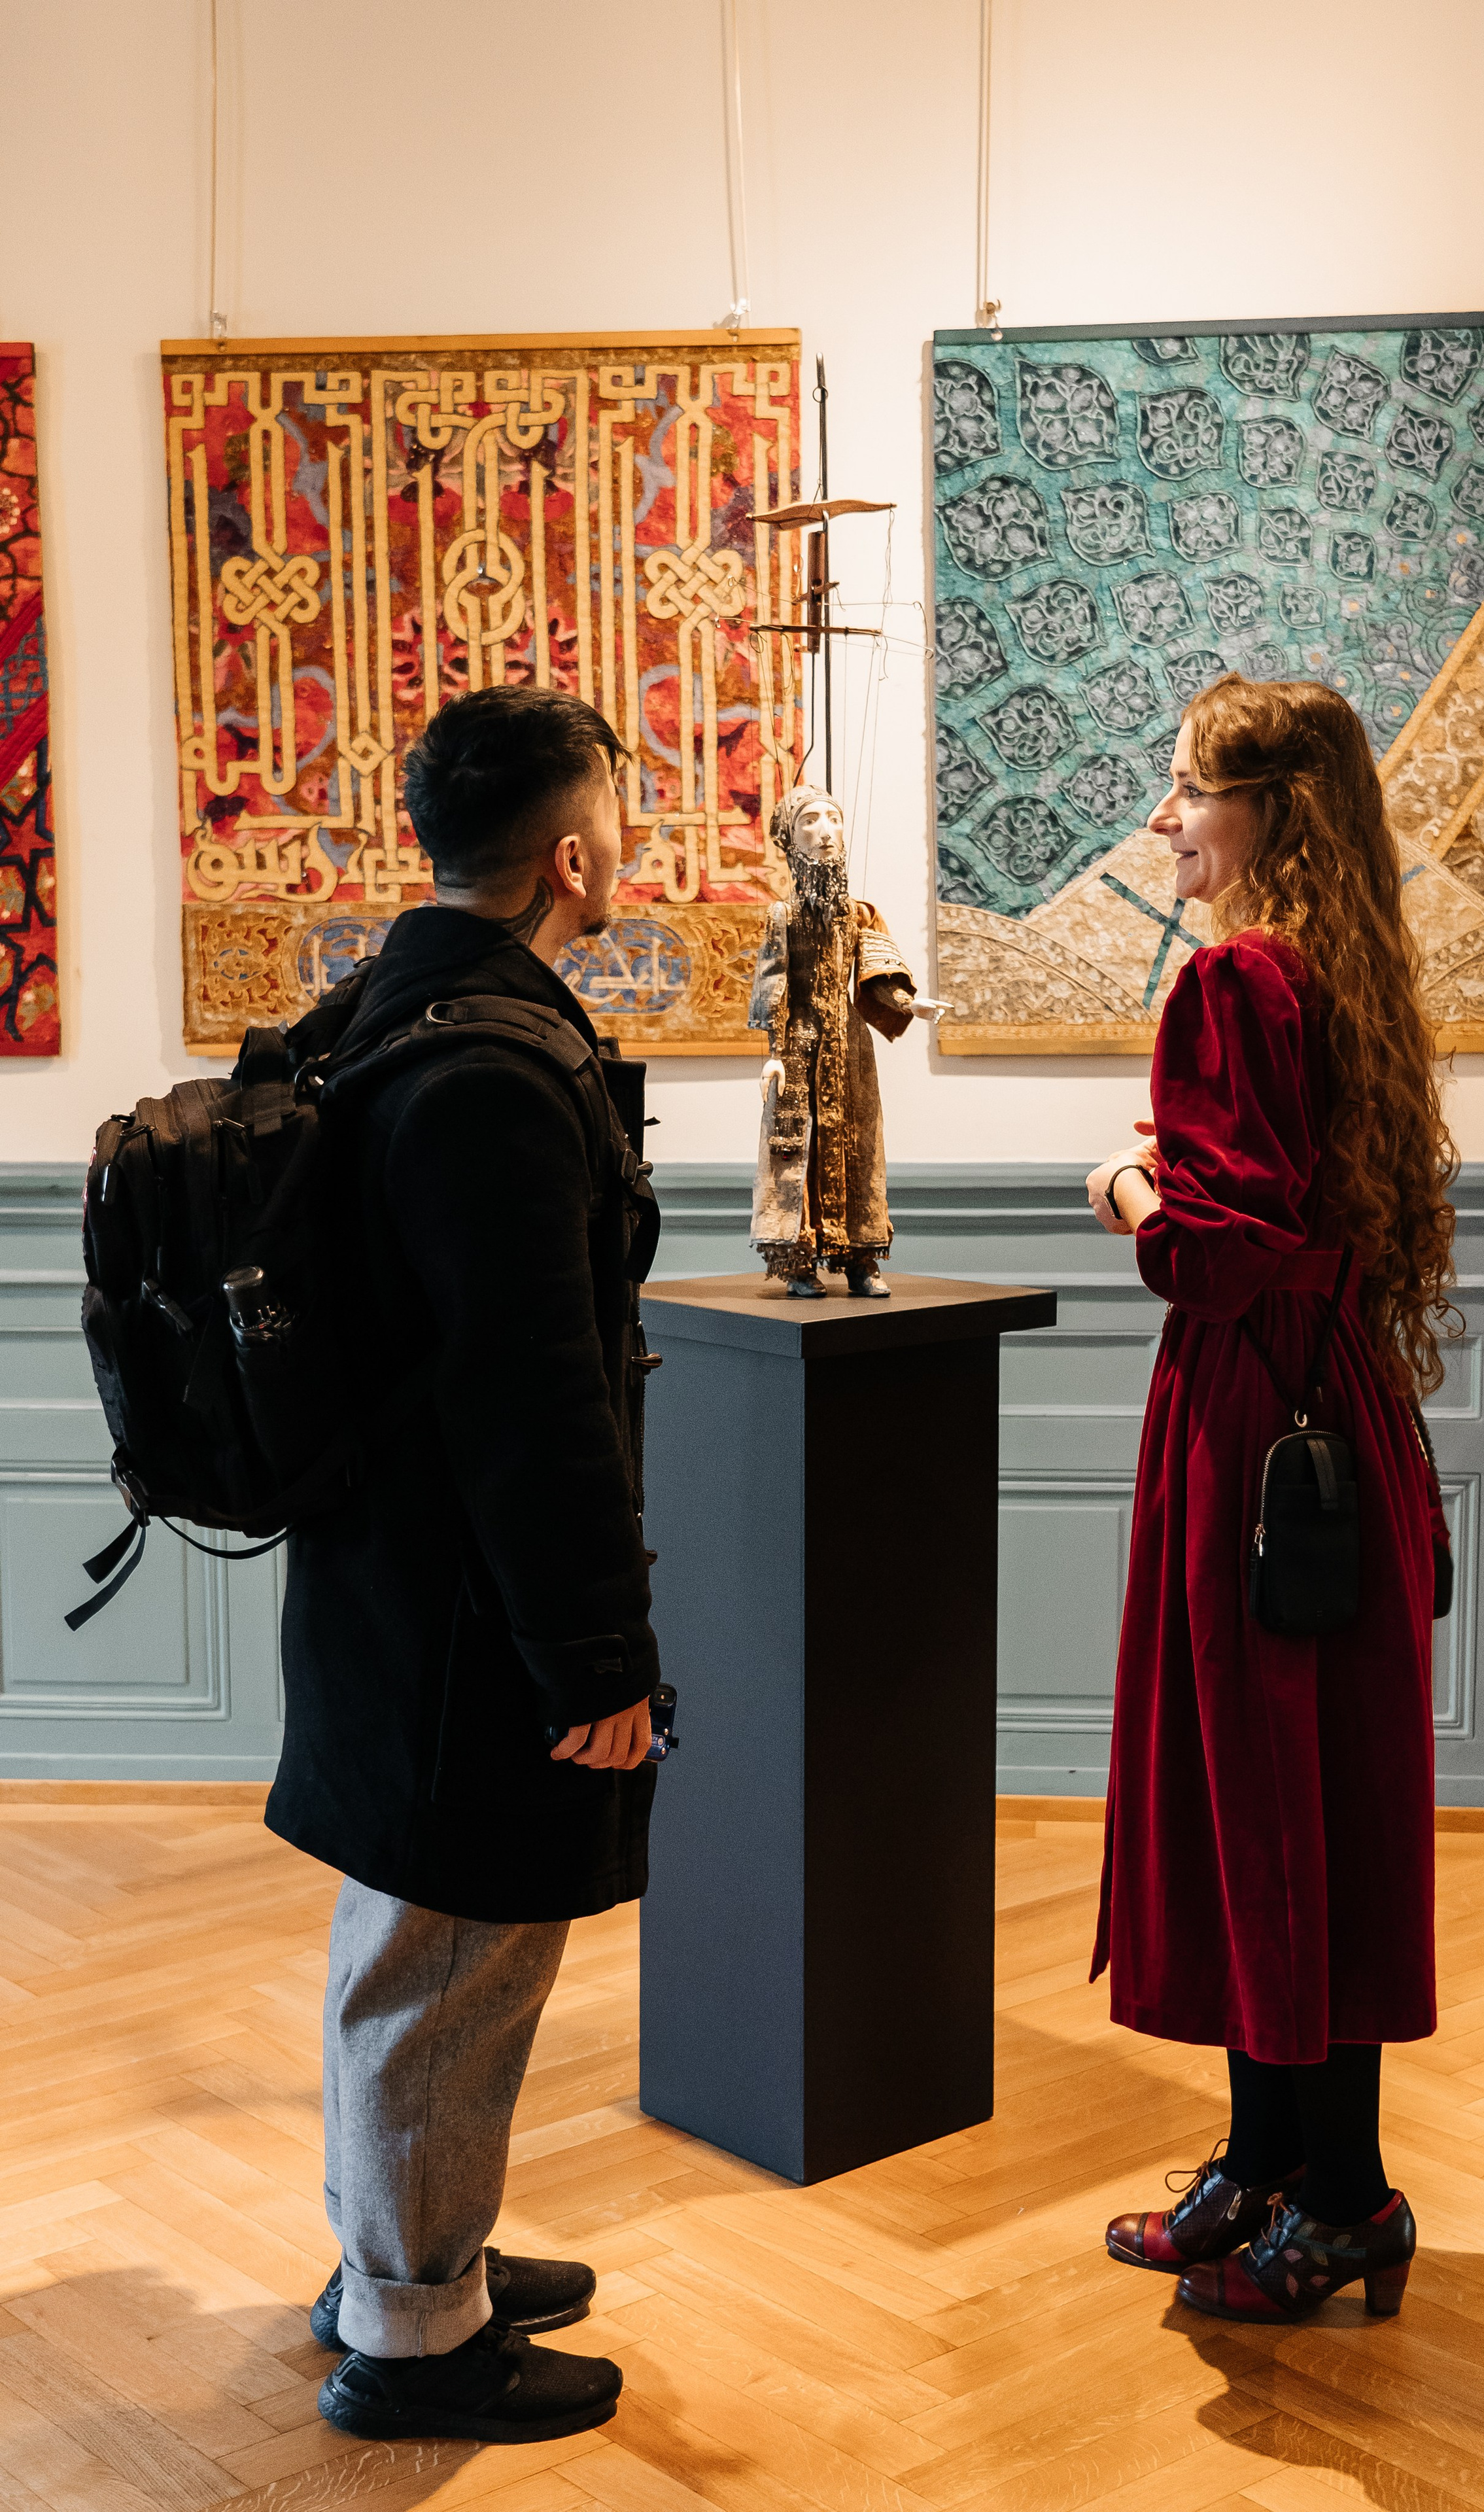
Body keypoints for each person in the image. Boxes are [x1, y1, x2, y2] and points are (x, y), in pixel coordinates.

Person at [264, 687, 659, 2445]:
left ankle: (403, 2261)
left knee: (412, 1941)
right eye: (622, 826)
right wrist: (596, 1663)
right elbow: (529, 1399)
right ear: (573, 856)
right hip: (465, 1620)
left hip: (397, 1592)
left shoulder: (390, 1007)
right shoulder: (490, 1066)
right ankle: (416, 2335)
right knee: (449, 1960)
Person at [1085, 674, 1455, 2326]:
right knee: (1311, 1794)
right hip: (1334, 1420)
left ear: (1267, 813)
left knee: (1261, 1786)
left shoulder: (1235, 977)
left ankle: (1338, 2188)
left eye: (1186, 791)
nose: (1165, 819)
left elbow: (1216, 1246)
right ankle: (1265, 2159)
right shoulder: (1346, 975)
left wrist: (1123, 1185)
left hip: (1249, 1430)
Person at [748, 782, 918, 1297]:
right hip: (800, 1046)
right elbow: (772, 983)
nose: (826, 832)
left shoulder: (857, 913)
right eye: (811, 821)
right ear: (790, 838)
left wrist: (911, 1004)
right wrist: (774, 1056)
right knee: (796, 1147)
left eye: (834, 819)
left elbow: (876, 974)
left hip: (849, 1045)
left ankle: (860, 1260)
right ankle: (800, 1262)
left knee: (859, 1143)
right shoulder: (784, 915)